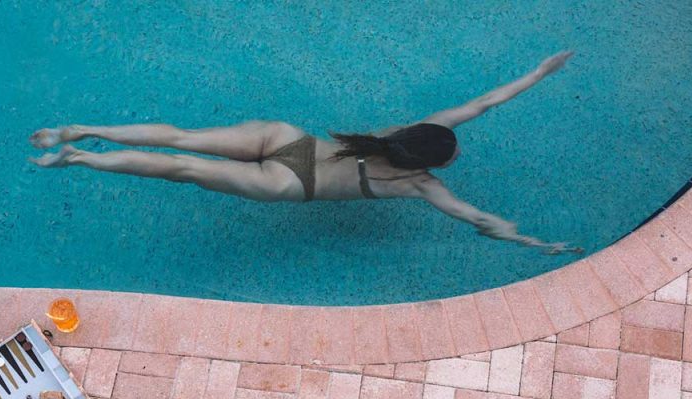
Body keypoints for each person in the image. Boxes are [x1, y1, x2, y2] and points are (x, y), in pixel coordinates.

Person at [30, 51, 580, 254]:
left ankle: (81, 129)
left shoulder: (419, 127)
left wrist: (536, 72)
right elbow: (479, 220)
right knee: (183, 169)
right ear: (428, 164)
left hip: (288, 140)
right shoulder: (421, 185)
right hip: (289, 184)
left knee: (180, 137)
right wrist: (528, 239)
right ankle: (84, 160)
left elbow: (482, 103)